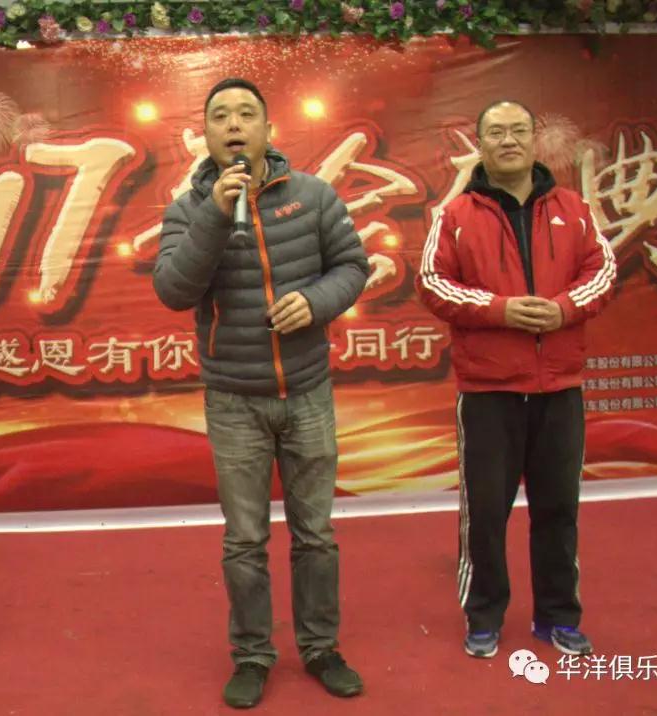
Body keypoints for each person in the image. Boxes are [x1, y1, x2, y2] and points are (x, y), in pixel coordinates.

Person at [153, 78, 368, 708]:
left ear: (268, 130)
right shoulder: (188, 210)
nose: (234, 124)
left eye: (247, 114)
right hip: (234, 401)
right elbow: (173, 291)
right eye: (220, 116)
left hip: (307, 391)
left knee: (316, 533)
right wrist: (217, 215)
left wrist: (316, 302)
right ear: (205, 135)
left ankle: (321, 647)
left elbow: (352, 266)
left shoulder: (313, 195)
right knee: (244, 540)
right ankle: (251, 654)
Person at [416, 101, 617, 660]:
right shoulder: (455, 214)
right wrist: (500, 310)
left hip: (560, 388)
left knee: (558, 509)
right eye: (497, 132)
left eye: (519, 131)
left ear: (535, 141)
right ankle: (483, 615)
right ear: (480, 145)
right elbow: (432, 282)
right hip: (488, 390)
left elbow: (602, 271)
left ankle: (558, 617)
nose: (509, 140)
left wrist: (564, 309)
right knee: (485, 514)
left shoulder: (574, 208)